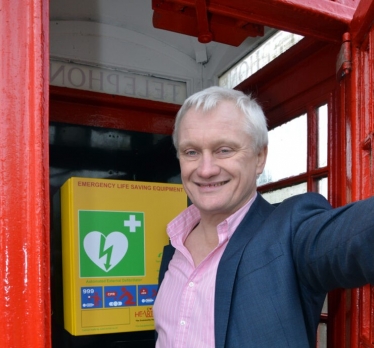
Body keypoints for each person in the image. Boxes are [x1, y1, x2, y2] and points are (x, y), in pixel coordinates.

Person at [153, 86, 374, 348]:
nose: (206, 169)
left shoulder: (291, 232)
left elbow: (357, 237)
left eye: (224, 150)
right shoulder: (173, 248)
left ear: (259, 157)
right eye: (191, 152)